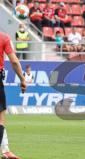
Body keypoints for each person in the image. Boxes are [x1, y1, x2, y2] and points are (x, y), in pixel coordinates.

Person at [0, 31, 27, 159]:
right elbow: (14, 62)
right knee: (0, 119)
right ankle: (5, 151)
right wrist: (22, 79)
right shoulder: (3, 37)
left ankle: (5, 151)